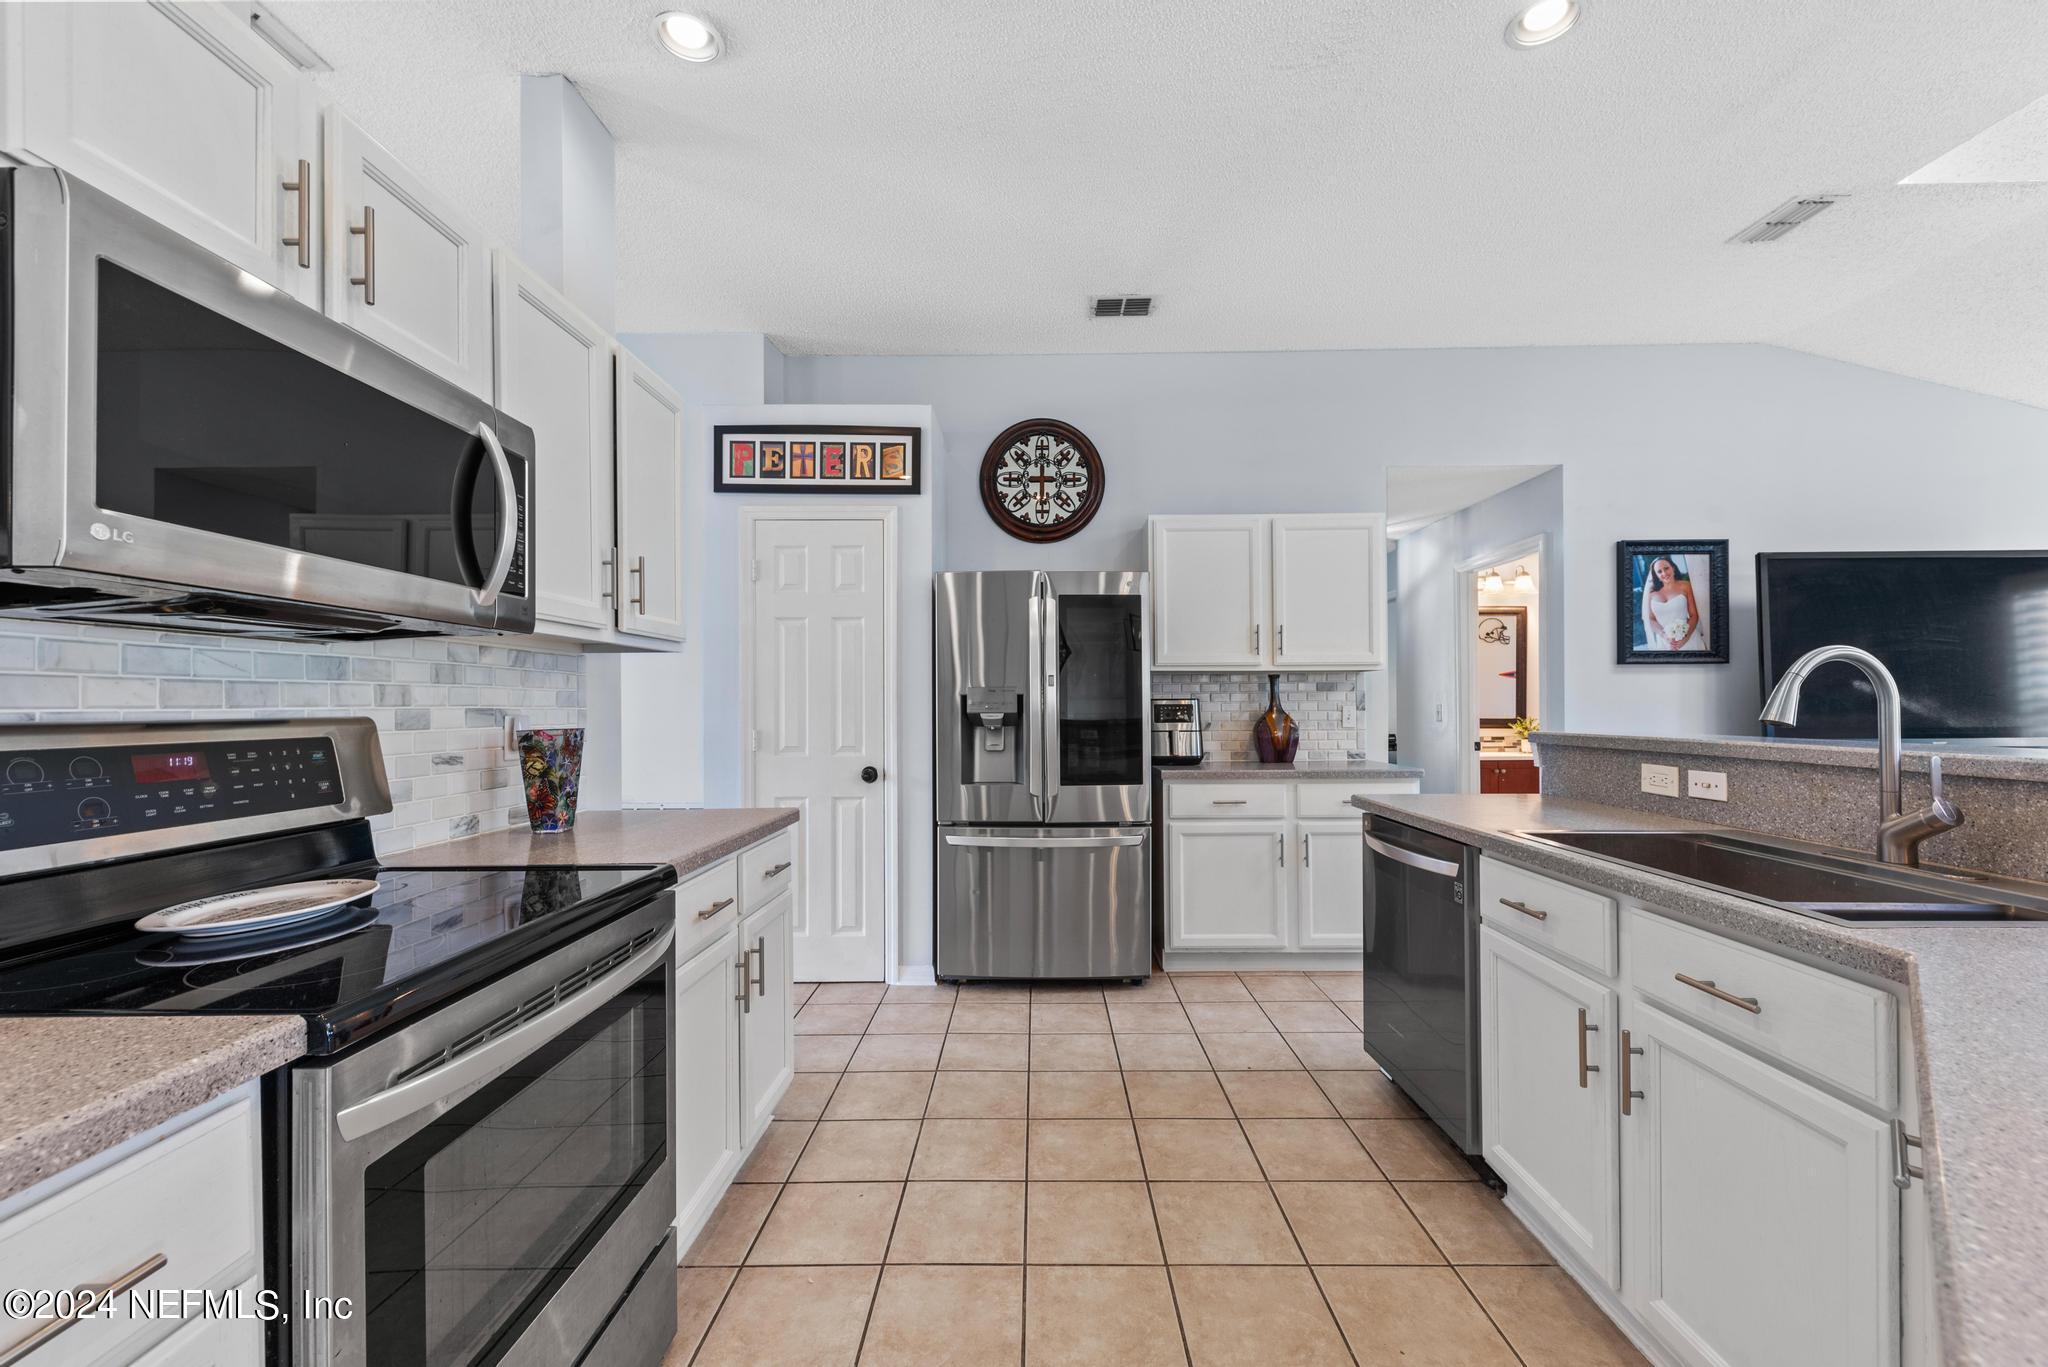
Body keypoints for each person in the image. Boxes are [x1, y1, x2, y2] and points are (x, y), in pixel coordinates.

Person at [1640, 555, 1705, 651]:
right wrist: (1664, 636)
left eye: (1666, 568)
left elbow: (1694, 615)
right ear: (1656, 575)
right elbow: (1651, 619)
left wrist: (1685, 638)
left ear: (1673, 568)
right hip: (1664, 643)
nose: (1664, 573)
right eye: (1659, 571)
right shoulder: (1652, 593)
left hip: (1688, 638)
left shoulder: (1685, 586)